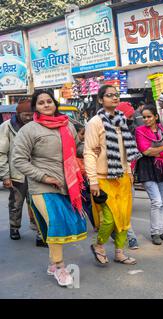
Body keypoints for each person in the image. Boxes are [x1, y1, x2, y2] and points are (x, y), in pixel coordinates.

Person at [12, 91, 87, 287]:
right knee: (56, 222)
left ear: (55, 104)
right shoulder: (29, 130)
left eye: (49, 101)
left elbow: (76, 149)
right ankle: (60, 267)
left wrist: (89, 147)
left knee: (60, 224)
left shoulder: (67, 125)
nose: (46, 105)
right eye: (41, 102)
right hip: (41, 187)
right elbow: (18, 160)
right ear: (35, 107)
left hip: (67, 184)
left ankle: (53, 265)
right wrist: (44, 177)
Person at [84, 85, 141, 265]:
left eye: (116, 95)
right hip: (103, 178)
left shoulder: (121, 119)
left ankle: (119, 252)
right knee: (109, 218)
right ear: (100, 99)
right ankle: (99, 245)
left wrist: (129, 171)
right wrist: (92, 181)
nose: (114, 98)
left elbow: (126, 151)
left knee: (124, 217)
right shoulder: (95, 122)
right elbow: (89, 152)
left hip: (122, 176)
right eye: (109, 96)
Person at [0, 100, 45, 245]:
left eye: (31, 115)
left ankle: (40, 234)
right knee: (16, 204)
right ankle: (14, 227)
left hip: (36, 173)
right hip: (17, 174)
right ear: (18, 114)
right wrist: (5, 176)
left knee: (39, 204)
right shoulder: (6, 127)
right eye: (26, 115)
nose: (29, 117)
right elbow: (1, 153)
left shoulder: (38, 125)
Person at [135, 106, 163, 245]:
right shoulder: (139, 131)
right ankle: (154, 233)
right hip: (146, 169)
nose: (146, 119)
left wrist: (159, 151)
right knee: (156, 201)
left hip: (161, 168)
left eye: (149, 116)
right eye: (144, 117)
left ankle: (160, 231)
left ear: (156, 117)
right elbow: (145, 151)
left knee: (162, 202)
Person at [114, 101, 140, 250]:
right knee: (117, 211)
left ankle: (125, 235)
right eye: (128, 116)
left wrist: (130, 172)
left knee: (125, 209)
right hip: (111, 176)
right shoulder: (108, 132)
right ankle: (130, 237)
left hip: (127, 175)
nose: (131, 119)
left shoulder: (132, 131)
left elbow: (129, 157)